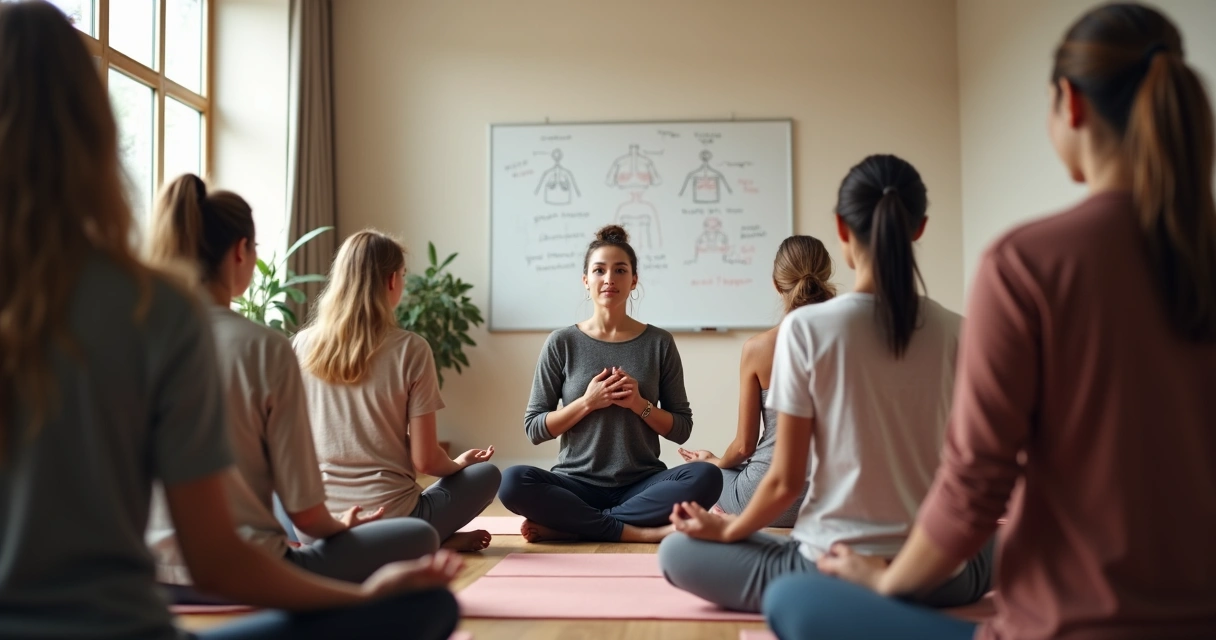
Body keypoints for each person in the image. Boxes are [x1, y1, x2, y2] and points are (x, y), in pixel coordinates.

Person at [0, 3, 460, 638]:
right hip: (122, 623)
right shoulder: (156, 310)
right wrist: (363, 599)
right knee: (427, 605)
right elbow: (217, 557)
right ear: (95, 126)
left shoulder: (278, 339)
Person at [764, 4, 1216, 639]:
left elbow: (976, 487)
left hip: (1063, 626)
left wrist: (886, 582)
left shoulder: (1028, 262)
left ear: (1070, 104)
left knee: (797, 602)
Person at [658, 155, 992, 614]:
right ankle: (898, 589)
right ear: (919, 228)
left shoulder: (805, 331)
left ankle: (855, 594)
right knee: (1013, 539)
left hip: (829, 565)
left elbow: (785, 483)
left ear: (841, 229)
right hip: (941, 574)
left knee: (677, 552)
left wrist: (729, 530)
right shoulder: (963, 331)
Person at [144, 174, 441, 600]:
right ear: (241, 251)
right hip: (246, 575)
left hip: (147, 579)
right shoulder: (263, 347)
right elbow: (307, 513)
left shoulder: (135, 342)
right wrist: (342, 531)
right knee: (420, 550)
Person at [497, 224, 722, 543]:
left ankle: (576, 526)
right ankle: (637, 532)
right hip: (575, 486)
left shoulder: (659, 343)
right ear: (585, 280)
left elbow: (681, 428)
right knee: (513, 482)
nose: (609, 279)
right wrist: (588, 402)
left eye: (620, 270)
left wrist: (639, 405)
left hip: (642, 486)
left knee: (708, 476)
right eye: (599, 270)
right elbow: (535, 428)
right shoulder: (562, 342)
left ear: (634, 280)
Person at [293, 229, 501, 552]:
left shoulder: (303, 344)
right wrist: (459, 463)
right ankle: (426, 542)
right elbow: (426, 460)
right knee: (486, 476)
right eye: (403, 275)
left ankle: (344, 549)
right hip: (396, 520)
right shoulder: (412, 350)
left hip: (317, 525)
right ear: (391, 281)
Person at [676, 235, 834, 527]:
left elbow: (744, 447)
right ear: (826, 277)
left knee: (704, 475)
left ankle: (729, 519)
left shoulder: (758, 348)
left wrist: (713, 461)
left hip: (769, 498)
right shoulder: (852, 340)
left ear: (777, 284)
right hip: (833, 500)